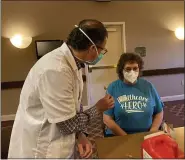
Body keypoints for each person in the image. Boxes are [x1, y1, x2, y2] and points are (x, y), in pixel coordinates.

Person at [8, 19, 114, 159]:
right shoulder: (55, 70)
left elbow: (72, 109)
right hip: (41, 148)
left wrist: (81, 135)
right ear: (92, 48)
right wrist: (98, 108)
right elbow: (67, 125)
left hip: (60, 141)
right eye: (102, 50)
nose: (101, 55)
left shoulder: (73, 64)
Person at [103, 53, 164, 137]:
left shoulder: (148, 86)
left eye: (135, 68)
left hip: (146, 134)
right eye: (128, 69)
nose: (132, 72)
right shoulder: (113, 88)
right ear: (122, 70)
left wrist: (152, 132)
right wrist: (127, 137)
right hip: (120, 135)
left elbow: (159, 112)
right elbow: (107, 119)